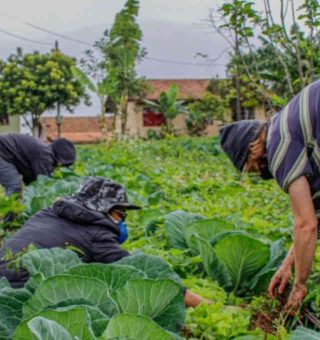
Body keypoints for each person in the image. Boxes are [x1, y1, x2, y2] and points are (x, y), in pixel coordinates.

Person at [0, 176, 209, 307]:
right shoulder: (97, 235)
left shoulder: (47, 213)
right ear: (104, 210)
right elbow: (144, 274)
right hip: (25, 293)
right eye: (121, 214)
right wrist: (205, 304)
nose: (122, 221)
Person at [219, 80, 320, 314]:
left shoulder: (278, 145)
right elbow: (315, 214)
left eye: (249, 166)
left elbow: (306, 225)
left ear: (253, 148)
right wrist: (287, 265)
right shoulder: (288, 126)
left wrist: (300, 286)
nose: (255, 171)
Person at [0, 133, 76, 197]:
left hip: (6, 154)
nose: (59, 167)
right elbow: (42, 184)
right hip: (2, 153)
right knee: (14, 186)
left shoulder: (45, 152)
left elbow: (30, 181)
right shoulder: (45, 156)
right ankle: (8, 214)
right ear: (60, 160)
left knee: (15, 187)